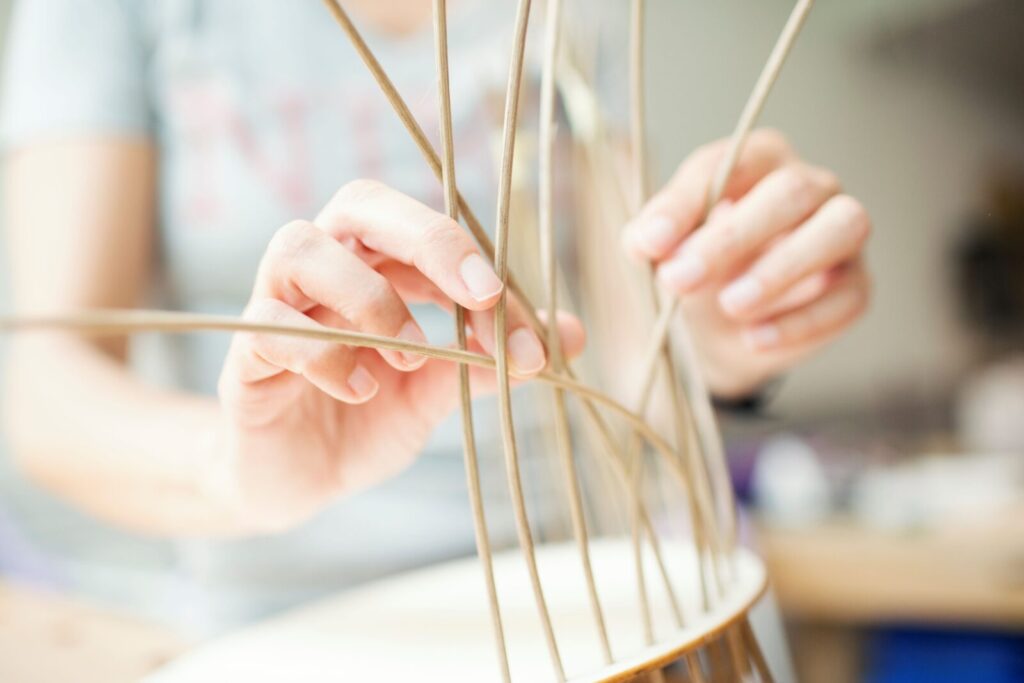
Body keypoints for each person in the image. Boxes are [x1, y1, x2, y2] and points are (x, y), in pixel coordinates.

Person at [0, 0, 870, 663]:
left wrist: (725, 315)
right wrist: (235, 465)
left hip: (607, 609)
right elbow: (42, 381)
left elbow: (634, 335)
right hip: (295, 632)